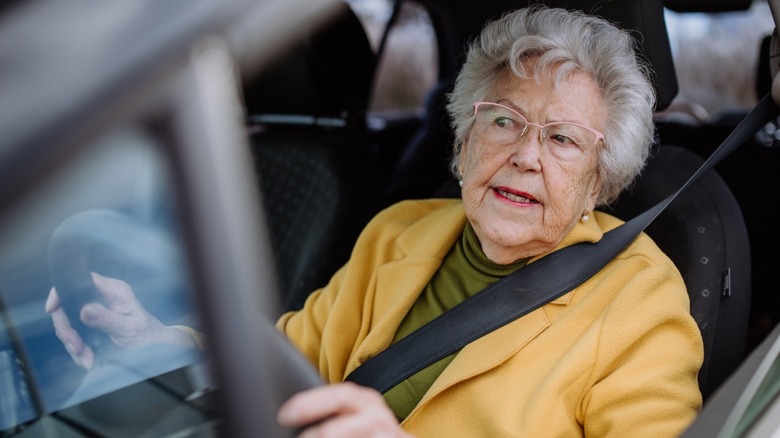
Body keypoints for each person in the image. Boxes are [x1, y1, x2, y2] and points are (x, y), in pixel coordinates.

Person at [46, 6, 704, 437]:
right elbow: (287, 359)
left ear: (600, 179)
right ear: (463, 140)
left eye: (562, 139)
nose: (524, 156)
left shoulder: (639, 298)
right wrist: (164, 340)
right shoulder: (400, 231)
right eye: (503, 120)